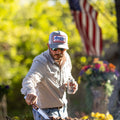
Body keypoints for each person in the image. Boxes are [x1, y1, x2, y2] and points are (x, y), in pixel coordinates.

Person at [21, 31, 78, 120]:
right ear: (48, 46)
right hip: (45, 112)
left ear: (66, 48)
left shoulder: (67, 58)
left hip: (63, 110)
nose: (58, 52)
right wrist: (30, 92)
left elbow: (68, 76)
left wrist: (73, 84)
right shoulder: (41, 62)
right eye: (54, 48)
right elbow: (29, 79)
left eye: (61, 49)